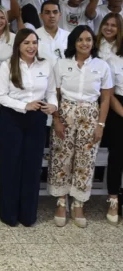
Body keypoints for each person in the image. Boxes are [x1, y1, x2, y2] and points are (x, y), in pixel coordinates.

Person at [49, 25, 113, 228]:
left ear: (93, 43)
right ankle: (61, 201)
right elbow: (55, 94)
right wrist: (57, 119)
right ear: (73, 43)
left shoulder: (101, 66)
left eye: (88, 40)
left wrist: (100, 124)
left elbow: (105, 98)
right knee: (62, 156)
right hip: (66, 113)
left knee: (85, 159)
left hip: (90, 115)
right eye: (80, 40)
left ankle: (78, 203)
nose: (84, 43)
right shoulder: (61, 64)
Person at [0, 29, 57, 227]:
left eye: (34, 42)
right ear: (18, 46)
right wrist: (24, 106)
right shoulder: (7, 65)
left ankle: (28, 214)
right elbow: (1, 96)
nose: (31, 46)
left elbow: (51, 92)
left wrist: (53, 105)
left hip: (37, 119)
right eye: (26, 43)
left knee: (32, 168)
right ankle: (9, 214)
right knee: (10, 167)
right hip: (12, 118)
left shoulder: (45, 65)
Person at [104, 37, 123, 223]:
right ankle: (113, 199)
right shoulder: (113, 60)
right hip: (118, 109)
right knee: (117, 156)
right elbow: (109, 94)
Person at [36, 1, 69, 66]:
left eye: (55, 12)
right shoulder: (34, 36)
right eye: (47, 12)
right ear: (41, 16)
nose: (52, 16)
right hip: (41, 75)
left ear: (60, 15)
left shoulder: (69, 36)